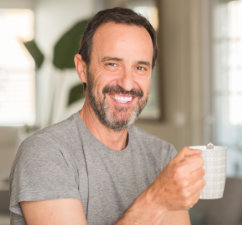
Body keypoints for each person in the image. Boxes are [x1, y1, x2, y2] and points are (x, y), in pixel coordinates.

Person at [9, 7, 205, 225]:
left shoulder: (162, 156)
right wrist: (156, 200)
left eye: (140, 67)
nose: (127, 83)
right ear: (82, 69)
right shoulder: (46, 153)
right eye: (112, 64)